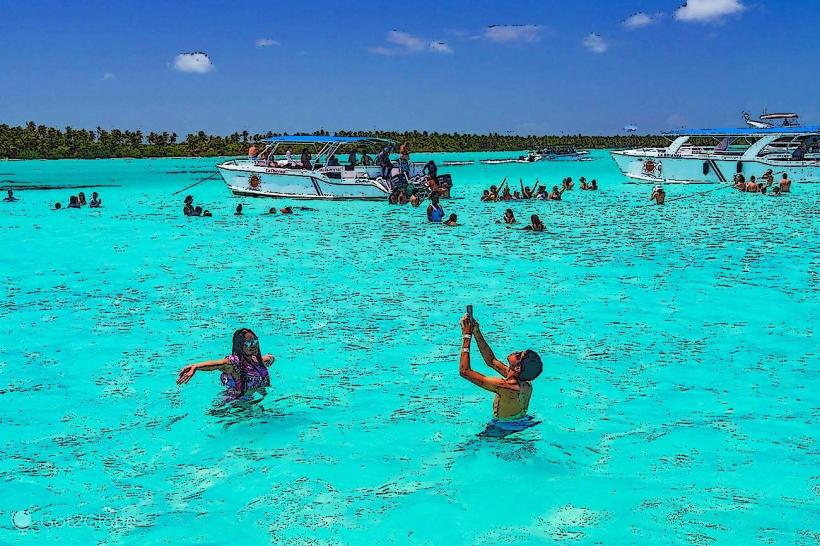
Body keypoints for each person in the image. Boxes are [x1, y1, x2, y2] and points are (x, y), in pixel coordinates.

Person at [458, 314, 543, 422]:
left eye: (518, 355)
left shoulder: (506, 387)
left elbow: (464, 371)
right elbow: (491, 361)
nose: (516, 352)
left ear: (517, 368)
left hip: (503, 429)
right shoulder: (526, 384)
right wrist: (476, 332)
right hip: (523, 421)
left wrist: (466, 336)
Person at [177, 328, 275, 400]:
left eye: (255, 341)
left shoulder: (258, 361)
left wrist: (270, 358)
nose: (253, 345)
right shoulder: (234, 363)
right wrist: (196, 366)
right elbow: (217, 364)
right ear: (240, 345)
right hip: (236, 405)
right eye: (248, 343)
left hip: (256, 399)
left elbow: (269, 359)